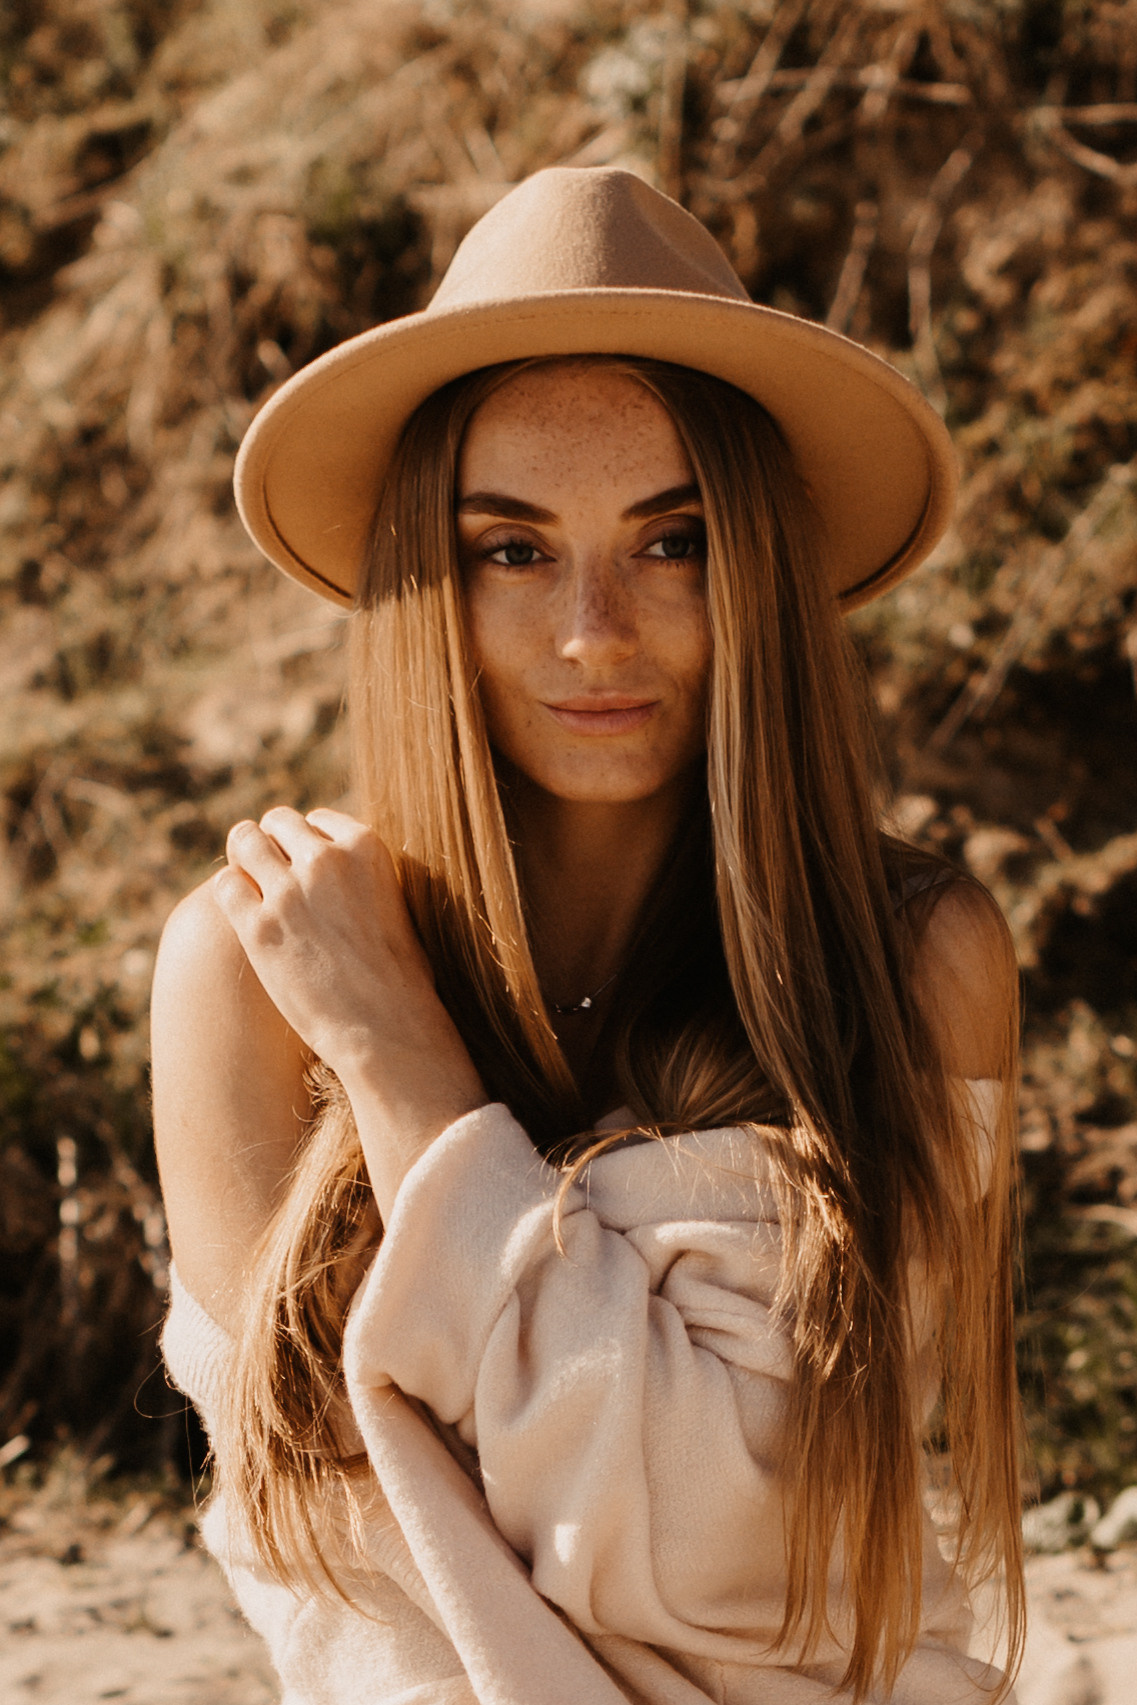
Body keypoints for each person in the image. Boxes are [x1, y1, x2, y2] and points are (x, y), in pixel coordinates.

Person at [152, 167, 1024, 1705]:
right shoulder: (246, 969)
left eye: (671, 540)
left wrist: (405, 1066)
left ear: (755, 568)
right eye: (511, 549)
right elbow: (342, 1571)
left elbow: (757, 1536)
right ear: (426, 581)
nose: (593, 631)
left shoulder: (912, 963)